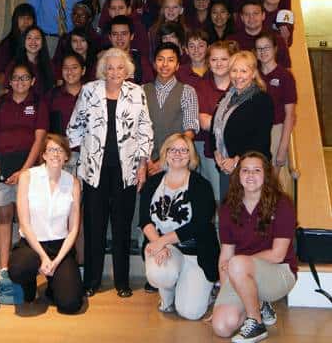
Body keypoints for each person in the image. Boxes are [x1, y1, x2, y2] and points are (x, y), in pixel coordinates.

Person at [67, 48, 153, 297]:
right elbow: (75, 126)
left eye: (120, 68)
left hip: (126, 169)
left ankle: (122, 282)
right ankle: (92, 282)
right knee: (94, 225)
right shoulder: (89, 91)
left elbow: (145, 130)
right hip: (94, 169)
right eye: (110, 67)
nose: (115, 72)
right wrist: (78, 152)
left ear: (127, 71)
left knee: (122, 225)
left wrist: (142, 165)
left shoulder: (137, 93)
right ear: (103, 69)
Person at [212, 151, 297, 343]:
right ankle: (257, 302)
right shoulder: (227, 207)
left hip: (279, 272)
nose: (250, 175)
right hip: (240, 271)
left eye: (256, 170)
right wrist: (226, 290)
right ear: (238, 175)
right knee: (222, 326)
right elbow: (225, 255)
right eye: (245, 171)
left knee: (238, 263)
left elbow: (277, 255)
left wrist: (239, 264)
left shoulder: (282, 204)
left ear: (266, 175)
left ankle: (256, 323)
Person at [139, 133, 219, 320]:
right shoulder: (152, 184)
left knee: (191, 313)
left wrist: (161, 242)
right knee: (161, 275)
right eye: (172, 149)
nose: (178, 154)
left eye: (184, 150)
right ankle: (170, 290)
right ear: (165, 154)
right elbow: (144, 220)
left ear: (191, 156)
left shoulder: (202, 185)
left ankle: (199, 289)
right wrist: (159, 244)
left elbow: (199, 225)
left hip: (196, 252)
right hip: (165, 249)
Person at [0, 61, 48, 280]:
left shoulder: (39, 104)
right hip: (0, 165)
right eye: (15, 78)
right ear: (9, 82)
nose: (20, 82)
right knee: (4, 215)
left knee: (26, 218)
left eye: (24, 78)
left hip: (28, 167)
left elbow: (40, 139)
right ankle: (4, 268)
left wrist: (24, 171)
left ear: (32, 81)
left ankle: (26, 268)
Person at [8, 134, 83, 313]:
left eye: (60, 150)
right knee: (19, 268)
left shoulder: (73, 182)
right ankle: (29, 285)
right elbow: (24, 224)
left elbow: (73, 229)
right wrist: (43, 257)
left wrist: (56, 261)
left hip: (60, 247)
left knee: (70, 305)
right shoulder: (28, 177)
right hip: (32, 246)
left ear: (66, 156)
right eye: (51, 149)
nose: (55, 154)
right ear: (43, 154)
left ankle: (53, 285)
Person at [211, 51, 274, 200]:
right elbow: (216, 128)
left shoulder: (262, 100)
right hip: (226, 168)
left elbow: (260, 140)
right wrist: (217, 153)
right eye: (234, 70)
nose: (238, 76)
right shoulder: (227, 97)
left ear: (253, 74)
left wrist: (237, 160)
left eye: (243, 71)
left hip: (249, 169)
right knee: (229, 213)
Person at [144, 43, 199, 175]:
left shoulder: (187, 91)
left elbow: (189, 132)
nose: (165, 64)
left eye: (170, 60)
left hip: (177, 161)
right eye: (160, 59)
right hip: (147, 163)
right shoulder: (141, 91)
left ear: (177, 66)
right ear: (154, 64)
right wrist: (146, 161)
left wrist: (164, 160)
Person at [197, 41, 237, 202]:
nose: (219, 63)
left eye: (224, 59)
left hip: (239, 153)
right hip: (211, 153)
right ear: (208, 62)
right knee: (216, 198)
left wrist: (216, 121)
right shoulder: (201, 86)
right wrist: (232, 121)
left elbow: (246, 122)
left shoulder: (240, 85)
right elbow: (204, 123)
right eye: (214, 60)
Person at [255, 32, 297, 176]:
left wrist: (282, 149)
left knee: (274, 183)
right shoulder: (252, 75)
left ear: (275, 49)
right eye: (259, 49)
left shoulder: (285, 76)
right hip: (255, 131)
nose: (263, 52)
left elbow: (290, 115)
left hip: (276, 131)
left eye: (266, 48)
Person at [228, 1, 291, 68]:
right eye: (247, 14)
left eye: (255, 13)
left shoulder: (278, 40)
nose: (251, 17)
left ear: (263, 16)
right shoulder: (231, 40)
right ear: (242, 17)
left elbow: (286, 69)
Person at [5, 25, 55, 98]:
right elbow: (6, 91)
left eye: (37, 38)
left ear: (42, 42)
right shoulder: (14, 65)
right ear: (23, 41)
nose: (33, 42)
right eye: (29, 38)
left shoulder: (49, 64)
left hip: (43, 106)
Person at [0, 3, 36, 86]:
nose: (26, 22)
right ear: (15, 20)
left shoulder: (38, 43)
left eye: (29, 18)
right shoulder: (6, 45)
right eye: (22, 18)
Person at [107, 15, 154, 85]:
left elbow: (149, 88)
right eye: (115, 34)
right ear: (110, 37)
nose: (119, 38)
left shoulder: (141, 61)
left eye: (124, 34)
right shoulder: (103, 61)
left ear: (131, 36)